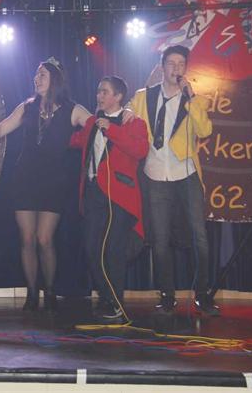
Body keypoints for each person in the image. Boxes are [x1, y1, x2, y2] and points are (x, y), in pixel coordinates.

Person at [0, 57, 93, 312]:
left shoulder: (73, 109)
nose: (36, 79)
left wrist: (124, 114)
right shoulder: (27, 107)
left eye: (42, 75)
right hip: (25, 178)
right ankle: (31, 293)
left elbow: (96, 125)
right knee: (26, 239)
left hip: (54, 182)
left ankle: (49, 291)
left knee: (44, 238)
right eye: (36, 75)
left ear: (55, 79)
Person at [129, 45, 219, 316]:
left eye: (181, 64)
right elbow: (129, 118)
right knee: (160, 239)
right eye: (171, 63)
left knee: (199, 237)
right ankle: (167, 295)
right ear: (162, 67)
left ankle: (202, 294)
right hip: (156, 173)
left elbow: (205, 130)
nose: (176, 69)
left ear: (186, 68)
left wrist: (190, 100)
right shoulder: (144, 96)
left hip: (186, 172)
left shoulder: (195, 100)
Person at [70, 76, 148, 324]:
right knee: (91, 247)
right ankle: (107, 296)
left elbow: (140, 151)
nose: (99, 96)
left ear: (118, 96)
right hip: (94, 192)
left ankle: (116, 303)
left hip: (120, 195)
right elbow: (74, 140)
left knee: (114, 248)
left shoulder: (133, 122)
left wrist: (111, 129)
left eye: (105, 92)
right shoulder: (93, 122)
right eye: (98, 91)